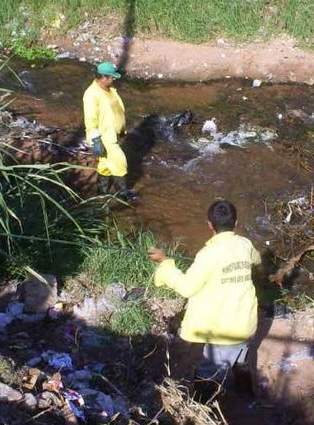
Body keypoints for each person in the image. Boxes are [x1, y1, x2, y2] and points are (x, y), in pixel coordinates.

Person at [148, 199, 261, 400]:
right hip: (246, 322)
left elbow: (186, 287)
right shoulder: (245, 244)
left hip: (225, 330)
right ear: (236, 223)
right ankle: (248, 397)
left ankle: (202, 409)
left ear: (209, 224)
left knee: (208, 371)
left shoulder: (208, 254)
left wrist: (165, 262)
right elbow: (256, 260)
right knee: (239, 358)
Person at [83, 61, 137, 201]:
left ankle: (101, 192)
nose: (114, 79)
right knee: (120, 163)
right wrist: (96, 140)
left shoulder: (109, 89)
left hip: (114, 133)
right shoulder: (91, 95)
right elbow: (90, 119)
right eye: (112, 77)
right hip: (104, 137)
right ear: (103, 77)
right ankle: (123, 195)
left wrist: (122, 129)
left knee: (105, 165)